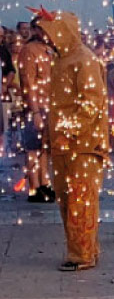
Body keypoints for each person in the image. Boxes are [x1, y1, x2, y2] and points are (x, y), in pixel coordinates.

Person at [33, 9, 109, 271]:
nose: (46, 39)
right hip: (63, 144)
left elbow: (91, 102)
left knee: (81, 199)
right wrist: (51, 133)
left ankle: (81, 255)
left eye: (50, 33)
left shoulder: (85, 60)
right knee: (67, 199)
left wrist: (69, 130)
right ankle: (86, 249)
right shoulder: (60, 60)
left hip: (84, 145)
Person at [18, 18, 55, 203]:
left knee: (45, 148)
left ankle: (44, 183)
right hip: (36, 107)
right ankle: (34, 187)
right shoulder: (28, 50)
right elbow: (28, 83)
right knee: (33, 148)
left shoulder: (48, 49)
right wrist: (35, 112)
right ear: (36, 30)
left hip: (48, 105)